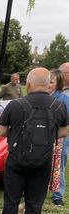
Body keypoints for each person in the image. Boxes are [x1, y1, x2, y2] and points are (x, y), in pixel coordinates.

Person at [0, 68, 68, 214]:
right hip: (43, 160)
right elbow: (63, 132)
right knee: (35, 202)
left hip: (17, 158)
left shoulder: (16, 105)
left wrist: (17, 132)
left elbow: (1, 131)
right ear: (47, 83)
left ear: (28, 84)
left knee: (11, 199)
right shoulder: (59, 106)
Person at [48, 69, 69, 206]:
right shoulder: (41, 96)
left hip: (59, 137)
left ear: (58, 84)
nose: (48, 84)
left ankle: (57, 195)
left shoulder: (64, 100)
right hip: (41, 136)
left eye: (51, 81)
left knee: (58, 165)